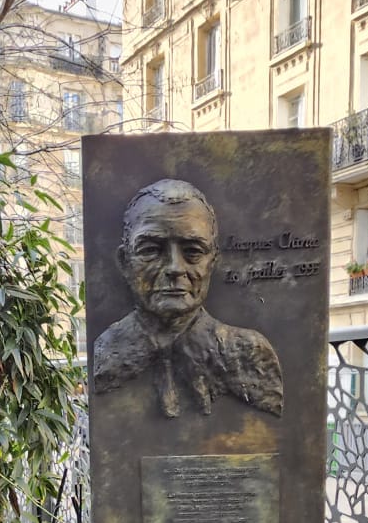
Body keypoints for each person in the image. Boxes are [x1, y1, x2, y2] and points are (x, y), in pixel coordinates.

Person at [91, 179, 283, 419]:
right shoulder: (106, 352)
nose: (174, 268)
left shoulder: (248, 353)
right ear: (125, 262)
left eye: (193, 251)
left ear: (212, 262)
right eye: (151, 250)